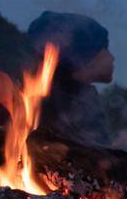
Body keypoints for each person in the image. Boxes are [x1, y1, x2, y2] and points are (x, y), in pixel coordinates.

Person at [24, 10, 116, 146]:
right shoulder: (60, 106)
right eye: (105, 48)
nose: (112, 57)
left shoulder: (81, 99)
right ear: (84, 57)